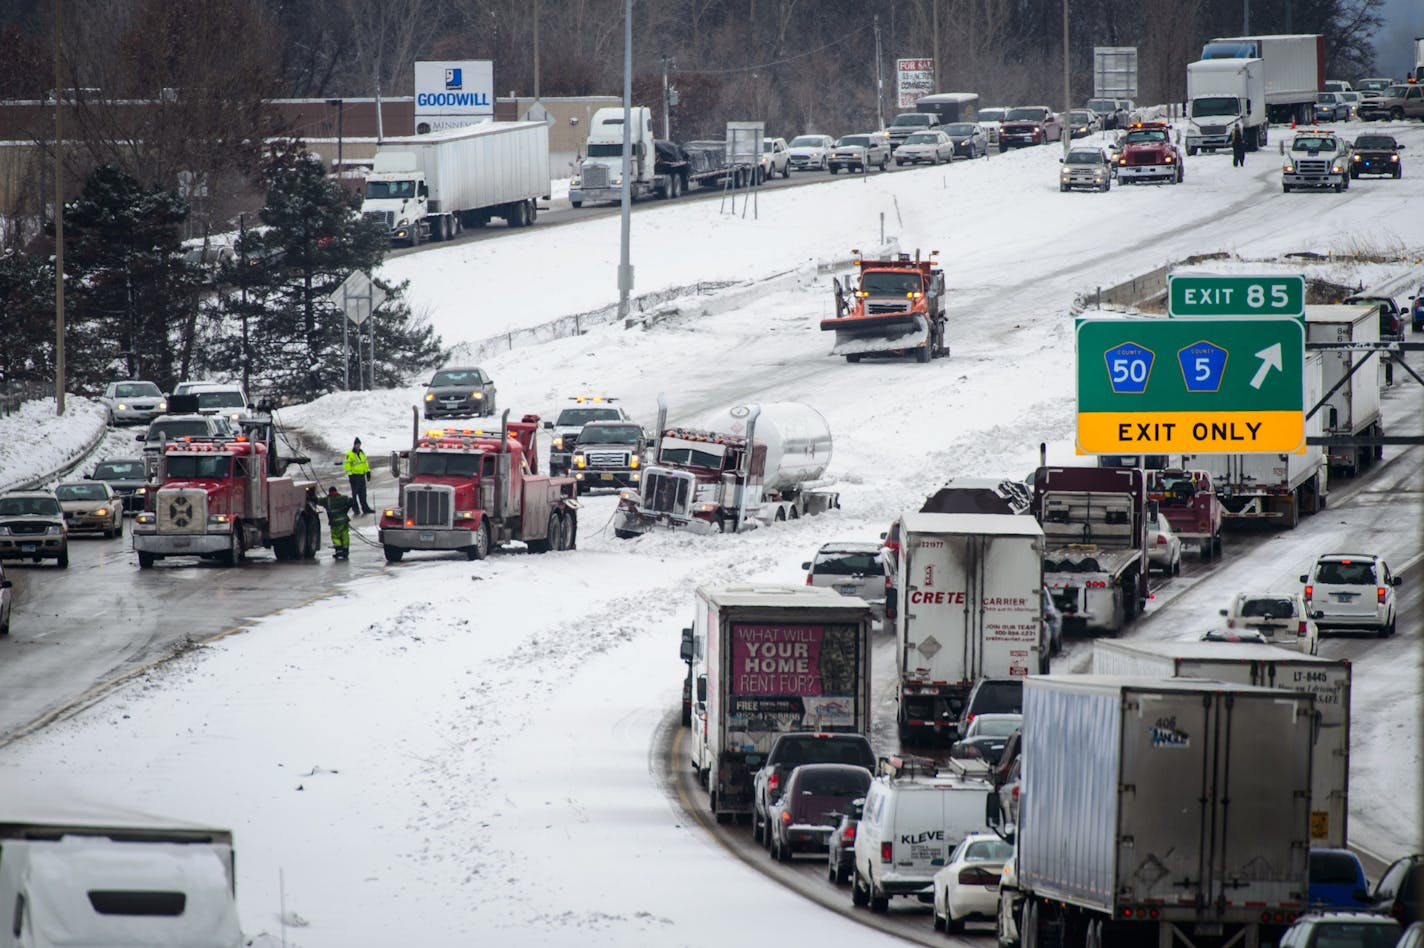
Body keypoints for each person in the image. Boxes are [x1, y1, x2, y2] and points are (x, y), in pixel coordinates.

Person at [318, 485, 353, 560]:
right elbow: (351, 501)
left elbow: (317, 501)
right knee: (345, 536)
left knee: (335, 537)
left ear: (330, 492)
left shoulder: (327, 500)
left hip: (334, 523)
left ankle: (339, 551)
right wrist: (346, 509)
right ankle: (345, 551)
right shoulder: (343, 498)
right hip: (344, 521)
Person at [344, 437, 372, 515]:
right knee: (354, 494)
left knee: (363, 494)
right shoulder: (350, 454)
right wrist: (350, 475)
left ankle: (365, 508)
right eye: (357, 445)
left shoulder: (362, 453)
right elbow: (347, 465)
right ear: (354, 445)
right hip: (354, 476)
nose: (358, 446)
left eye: (359, 444)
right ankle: (355, 509)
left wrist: (368, 472)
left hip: (361, 476)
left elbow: (365, 463)